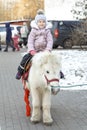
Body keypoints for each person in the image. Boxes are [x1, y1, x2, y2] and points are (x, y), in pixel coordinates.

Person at [16, 9, 53, 80]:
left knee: (52, 60)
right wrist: (31, 50)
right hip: (34, 51)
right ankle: (20, 71)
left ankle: (59, 72)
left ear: (45, 23)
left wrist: (48, 49)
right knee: (25, 59)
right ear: (36, 23)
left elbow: (50, 40)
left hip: (44, 51)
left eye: (43, 22)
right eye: (40, 22)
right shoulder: (33, 31)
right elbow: (30, 41)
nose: (41, 23)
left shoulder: (47, 31)